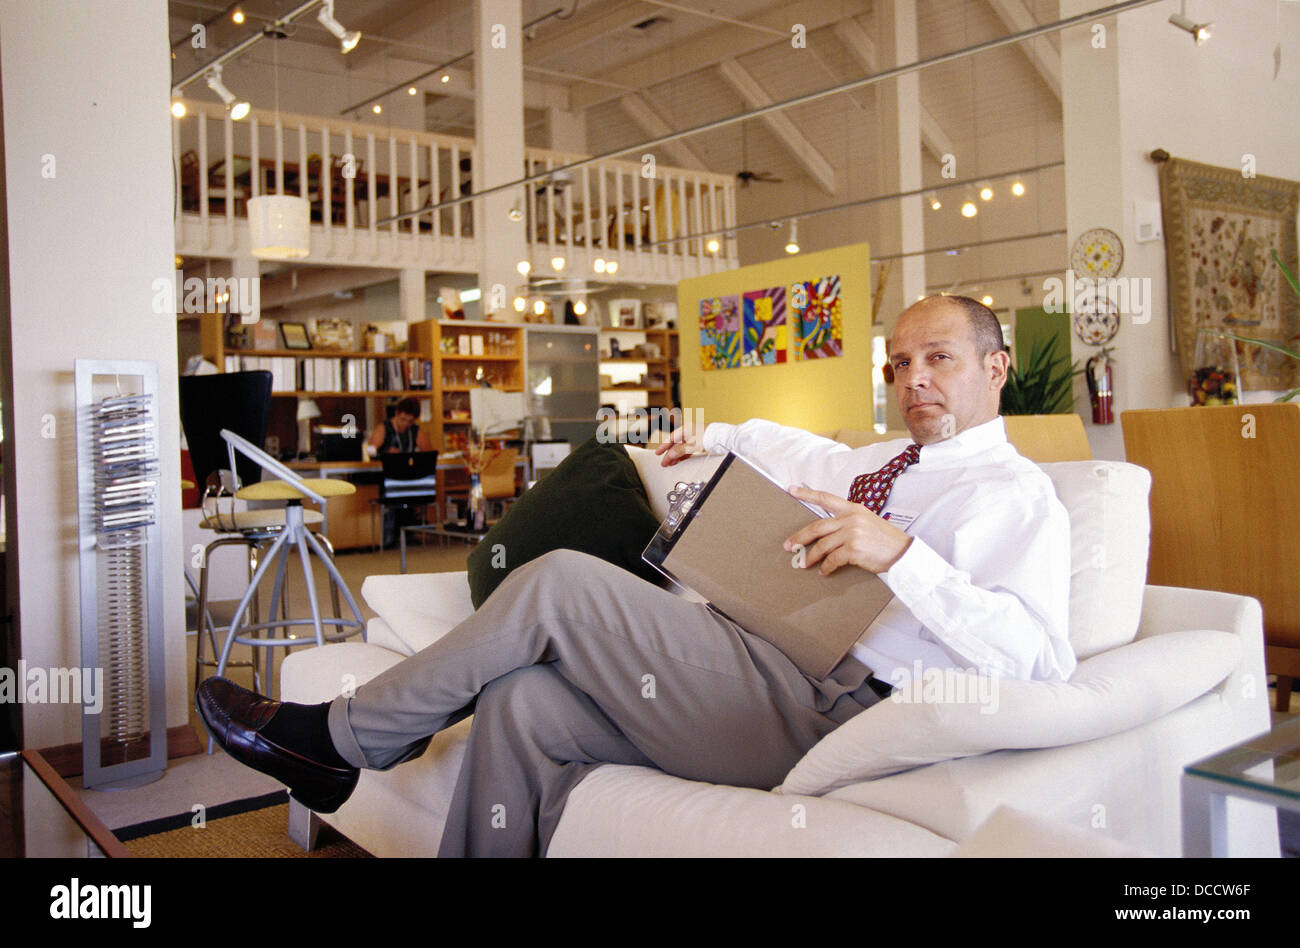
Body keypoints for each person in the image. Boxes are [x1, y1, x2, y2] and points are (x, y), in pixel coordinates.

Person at [197, 294, 1075, 857]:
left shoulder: (1014, 494)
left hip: (834, 702)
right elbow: (785, 443)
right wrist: (714, 440)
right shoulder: (877, 459)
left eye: (939, 359)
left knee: (562, 582)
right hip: (754, 661)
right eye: (900, 364)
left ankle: (340, 741)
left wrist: (903, 556)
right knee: (524, 704)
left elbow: (1041, 663)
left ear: (996, 369)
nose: (913, 379)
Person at [365, 396, 433, 457]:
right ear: (396, 413)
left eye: (410, 421)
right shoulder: (383, 428)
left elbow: (429, 454)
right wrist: (385, 453)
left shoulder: (414, 430)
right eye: (403, 419)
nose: (406, 424)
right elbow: (370, 451)